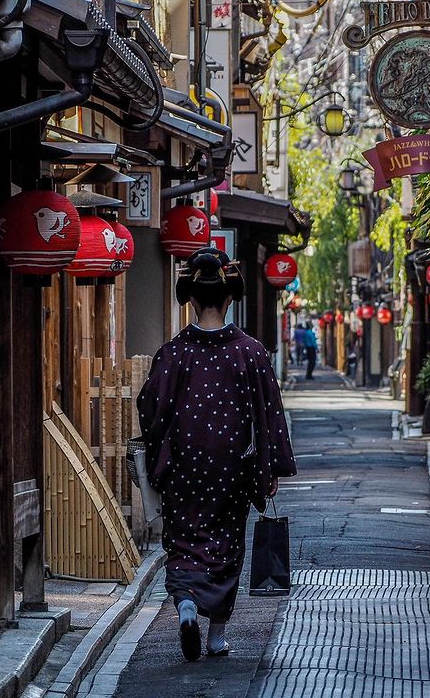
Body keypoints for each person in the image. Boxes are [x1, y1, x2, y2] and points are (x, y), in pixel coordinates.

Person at [136, 247, 297, 662]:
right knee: (226, 548)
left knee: (184, 544)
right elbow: (269, 414)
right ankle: (217, 637)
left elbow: (150, 406)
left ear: (190, 297)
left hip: (183, 469)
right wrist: (270, 466)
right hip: (233, 469)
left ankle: (186, 604)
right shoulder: (251, 353)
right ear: (230, 298)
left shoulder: (172, 354)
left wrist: (161, 454)